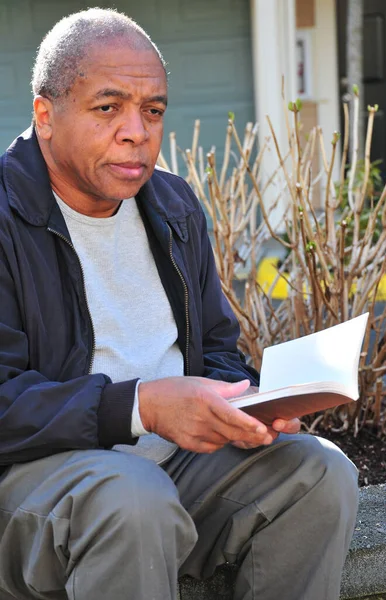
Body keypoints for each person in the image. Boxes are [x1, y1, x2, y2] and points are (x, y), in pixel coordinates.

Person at [0, 8, 358, 600]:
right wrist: (141, 407)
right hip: (34, 485)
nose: (137, 131)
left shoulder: (173, 206)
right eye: (108, 107)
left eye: (153, 110)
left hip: (171, 472)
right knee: (131, 496)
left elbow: (217, 350)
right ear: (45, 114)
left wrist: (248, 409)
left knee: (319, 470)